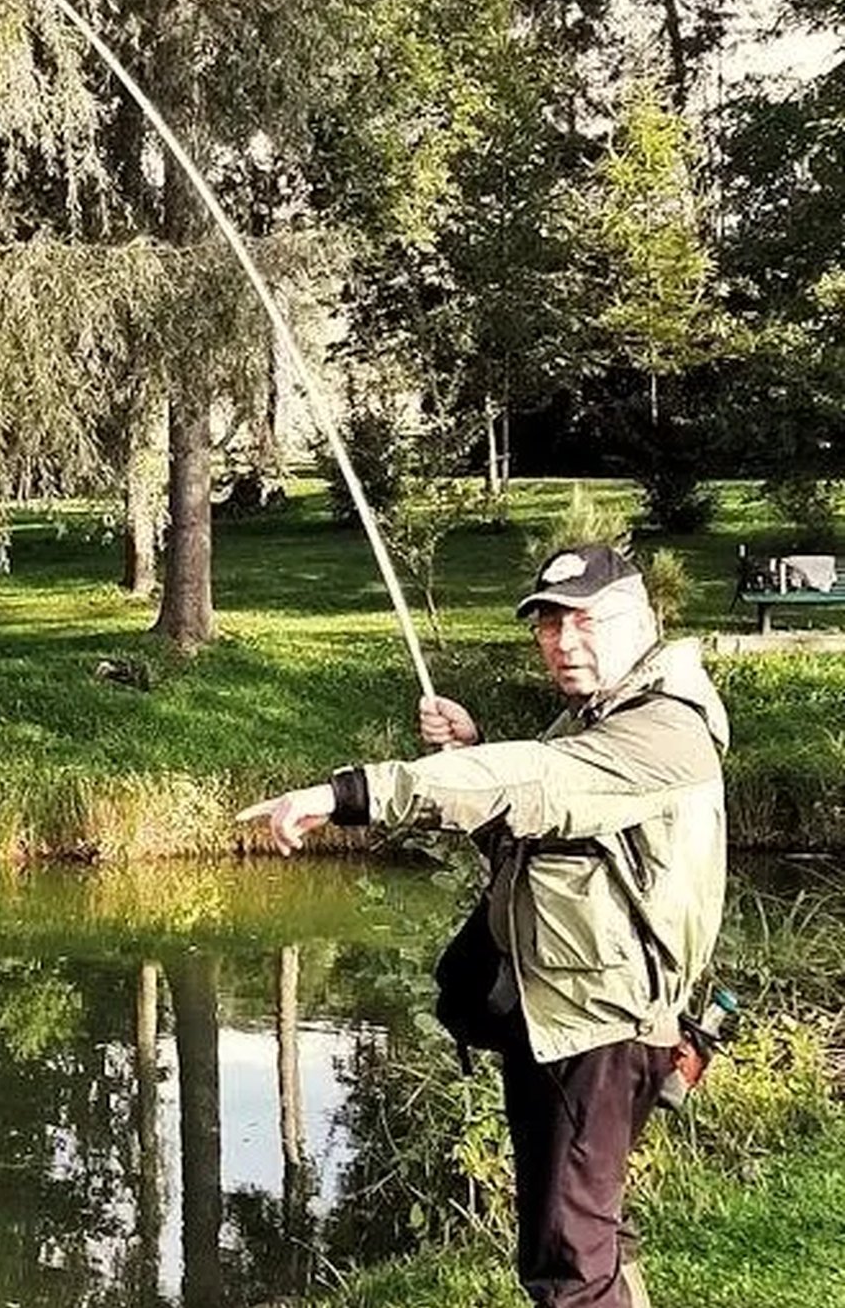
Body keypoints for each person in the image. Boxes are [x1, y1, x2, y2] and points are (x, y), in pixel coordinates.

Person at [238, 545, 729, 1308]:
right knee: (591, 1229)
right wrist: (471, 750)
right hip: (569, 1011)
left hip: (596, 1026)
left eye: (585, 621)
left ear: (643, 621)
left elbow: (530, 781)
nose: (564, 642)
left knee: (569, 1259)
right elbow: (542, 830)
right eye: (548, 626)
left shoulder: (663, 730)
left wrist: (348, 794)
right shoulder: (601, 718)